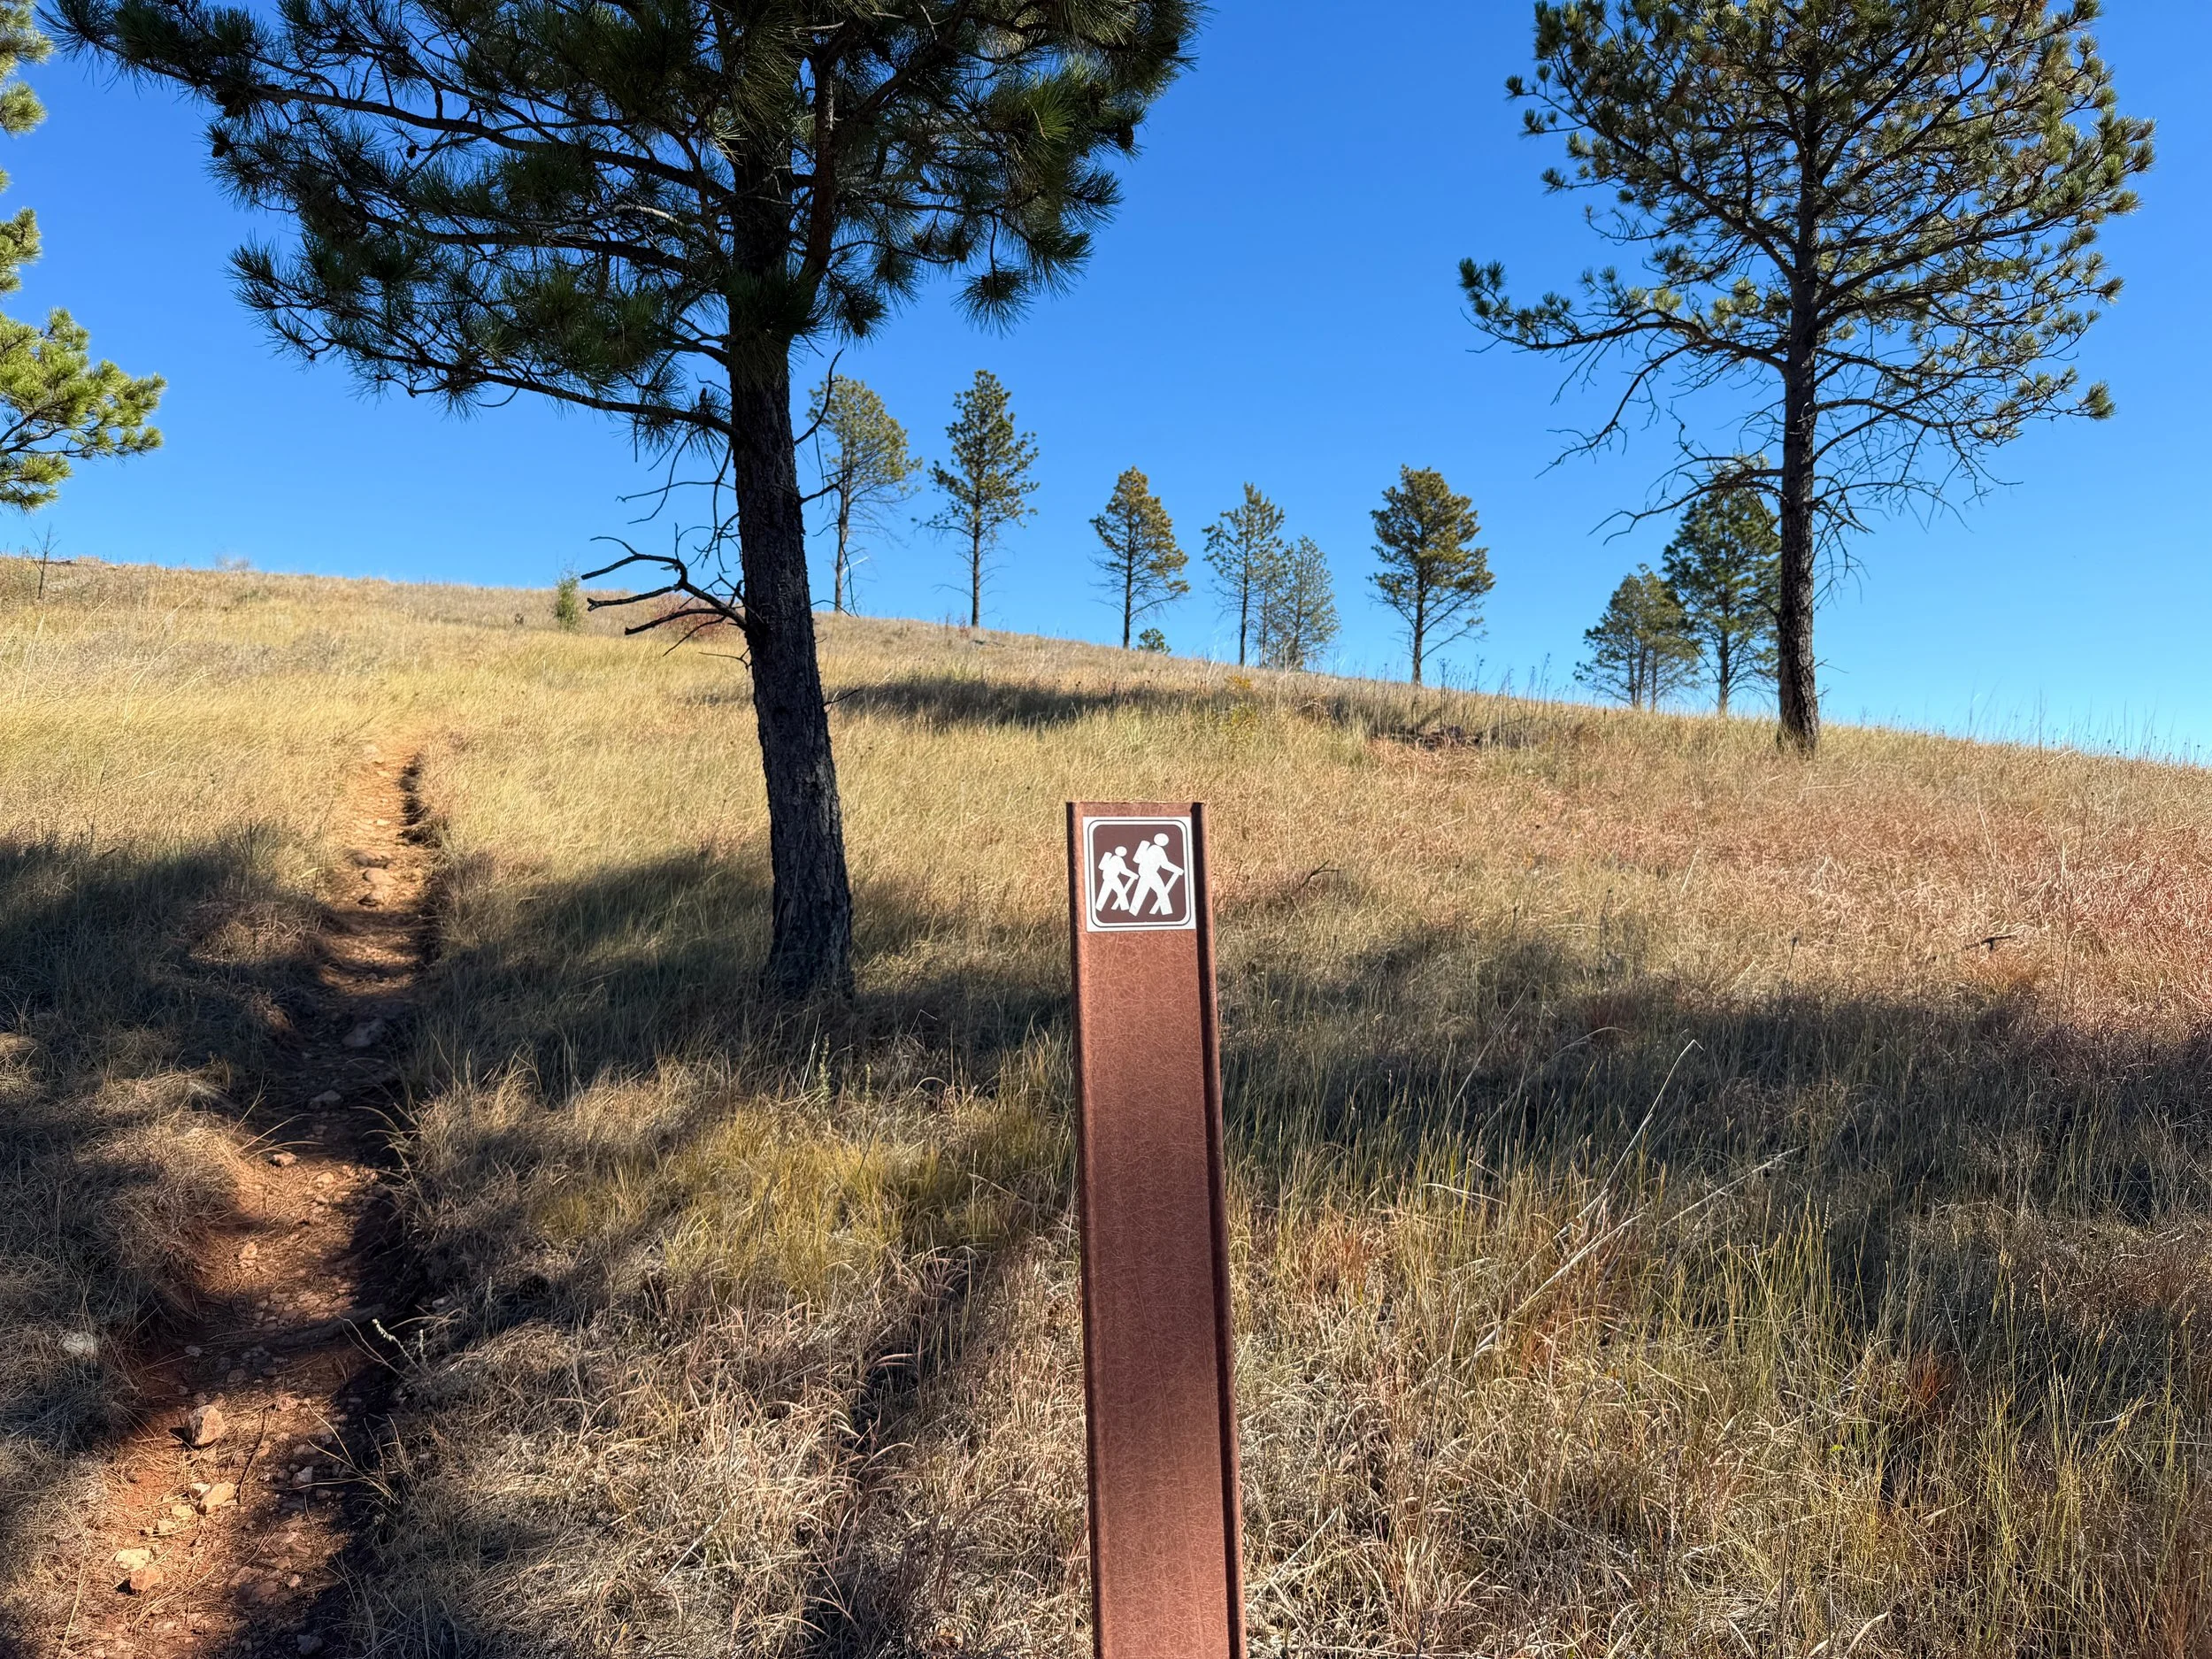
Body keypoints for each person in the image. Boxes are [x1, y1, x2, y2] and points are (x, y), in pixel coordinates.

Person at [1129, 831, 1184, 917]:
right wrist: (1178, 870)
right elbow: (1164, 864)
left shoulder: (1150, 848)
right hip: (1150, 873)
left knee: (1140, 892)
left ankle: (1133, 912)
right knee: (1161, 891)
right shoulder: (1158, 850)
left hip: (1143, 872)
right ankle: (1167, 913)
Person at [1095, 844, 1136, 916]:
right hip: (1113, 878)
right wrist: (1133, 875)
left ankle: (1098, 907)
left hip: (1107, 878)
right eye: (1123, 851)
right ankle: (1125, 909)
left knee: (1104, 893)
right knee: (1121, 892)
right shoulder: (1118, 859)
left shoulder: (1112, 858)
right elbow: (1123, 871)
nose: (1124, 852)